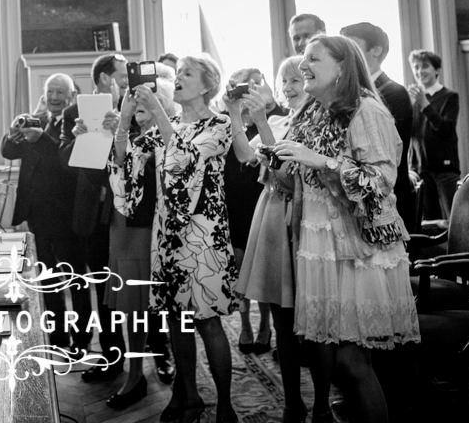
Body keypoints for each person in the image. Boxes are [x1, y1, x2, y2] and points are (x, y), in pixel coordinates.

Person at [272, 34, 420, 423]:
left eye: (313, 59)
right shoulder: (313, 112)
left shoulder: (366, 110)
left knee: (352, 362)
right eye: (303, 58)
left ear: (342, 68)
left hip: (358, 246)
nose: (303, 65)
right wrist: (280, 164)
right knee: (335, 362)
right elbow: (297, 184)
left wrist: (320, 161)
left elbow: (381, 181)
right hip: (322, 242)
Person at [130, 53, 239, 423]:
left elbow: (184, 156)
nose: (178, 78)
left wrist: (157, 113)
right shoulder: (169, 122)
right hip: (167, 234)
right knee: (177, 319)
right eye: (177, 74)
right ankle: (188, 394)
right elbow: (128, 158)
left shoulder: (220, 125)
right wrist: (123, 121)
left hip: (204, 235)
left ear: (207, 84)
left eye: (187, 73)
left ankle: (225, 405)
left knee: (208, 321)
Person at [233, 56, 332, 423]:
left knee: (318, 326)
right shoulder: (276, 121)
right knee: (282, 321)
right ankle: (293, 403)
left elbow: (289, 176)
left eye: (298, 80)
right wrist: (236, 113)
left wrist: (260, 120)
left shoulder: (320, 123)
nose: (290, 87)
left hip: (307, 222)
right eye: (284, 81)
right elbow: (245, 155)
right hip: (274, 219)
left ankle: (322, 404)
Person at [105, 68, 177, 409]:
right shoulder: (129, 136)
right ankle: (135, 376)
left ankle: (171, 369)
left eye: (146, 99)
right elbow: (117, 162)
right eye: (133, 99)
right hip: (125, 228)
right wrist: (124, 117)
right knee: (130, 307)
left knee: (162, 307)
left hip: (155, 229)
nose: (138, 104)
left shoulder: (171, 134)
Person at [60, 54, 131, 383]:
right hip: (95, 214)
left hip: (133, 215)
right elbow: (64, 162)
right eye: (121, 74)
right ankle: (111, 357)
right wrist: (81, 140)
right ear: (105, 79)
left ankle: (159, 354)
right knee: (104, 289)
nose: (127, 79)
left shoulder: (138, 106)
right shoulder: (74, 113)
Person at [0, 73, 83, 352]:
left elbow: (64, 160)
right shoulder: (37, 119)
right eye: (51, 92)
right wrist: (13, 133)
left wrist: (40, 138)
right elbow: (9, 152)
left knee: (74, 279)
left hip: (66, 215)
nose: (55, 97)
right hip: (38, 215)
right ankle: (57, 339)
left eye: (61, 92)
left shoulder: (75, 124)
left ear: (71, 97)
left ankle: (80, 341)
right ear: (44, 95)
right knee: (47, 279)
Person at [222, 67, 280, 356]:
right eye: (241, 86)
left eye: (255, 86)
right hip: (233, 203)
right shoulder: (225, 122)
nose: (248, 92)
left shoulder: (272, 120)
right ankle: (245, 323)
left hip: (260, 200)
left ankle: (266, 324)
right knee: (240, 269)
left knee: (263, 268)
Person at [341, 22, 415, 232]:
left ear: (376, 51)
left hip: (389, 199)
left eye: (353, 47)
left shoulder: (393, 93)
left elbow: (387, 154)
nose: (346, 56)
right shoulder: (354, 93)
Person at [406, 49, 461, 220]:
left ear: (436, 70)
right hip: (420, 168)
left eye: (424, 67)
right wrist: (407, 107)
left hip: (444, 168)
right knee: (428, 221)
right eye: (416, 67)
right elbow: (409, 133)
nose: (419, 72)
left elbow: (445, 129)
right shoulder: (412, 99)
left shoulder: (449, 97)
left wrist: (424, 103)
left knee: (453, 218)